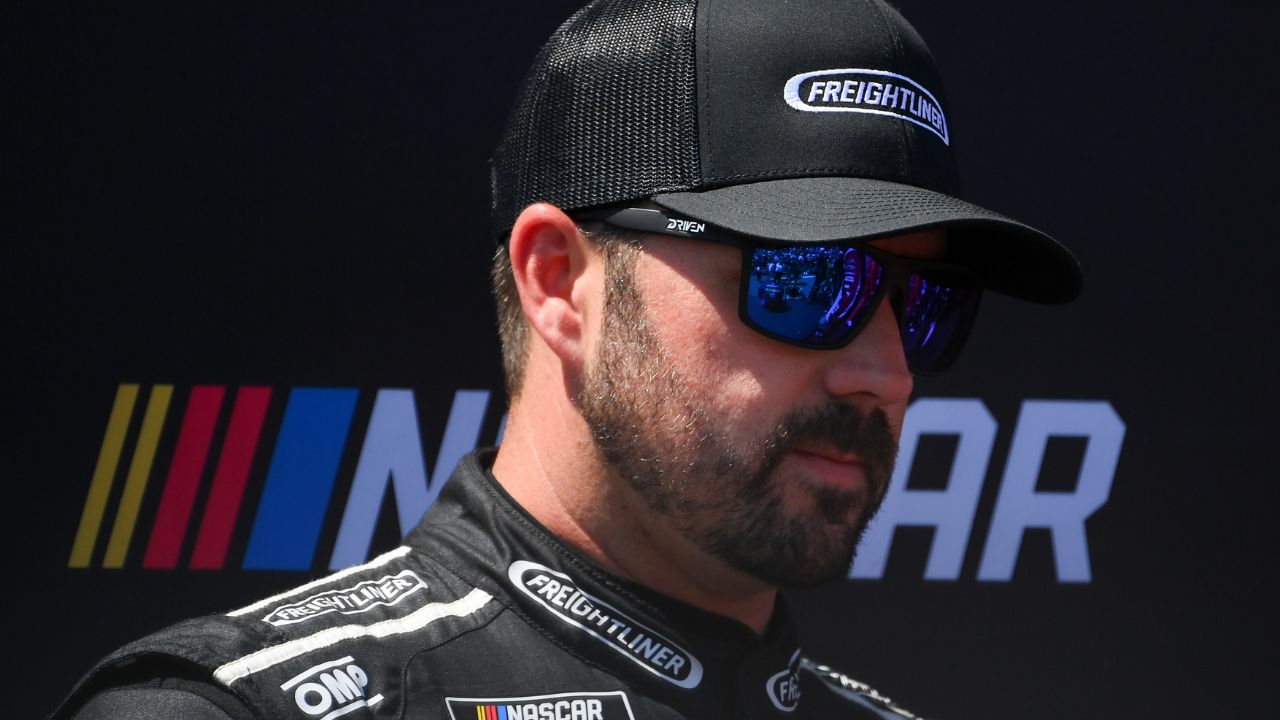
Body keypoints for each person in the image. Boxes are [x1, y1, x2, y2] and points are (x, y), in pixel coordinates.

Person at [54, 0, 1081, 718]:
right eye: (808, 282)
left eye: (929, 305)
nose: (882, 373)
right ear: (559, 281)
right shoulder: (231, 711)